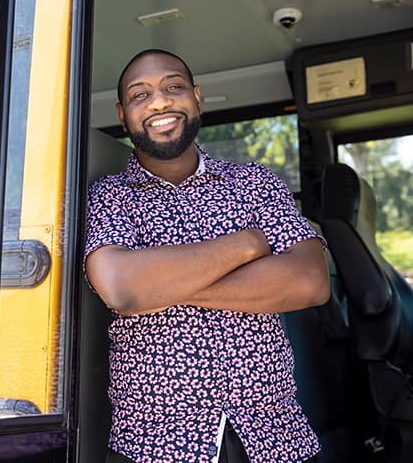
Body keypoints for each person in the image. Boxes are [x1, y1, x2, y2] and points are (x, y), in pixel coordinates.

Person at [84, 49, 330, 463]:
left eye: (173, 87)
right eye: (140, 94)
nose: (160, 101)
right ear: (122, 114)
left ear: (196, 97)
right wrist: (246, 246)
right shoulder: (108, 195)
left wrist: (162, 282)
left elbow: (310, 281)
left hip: (276, 437)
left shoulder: (255, 182)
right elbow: (123, 289)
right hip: (154, 445)